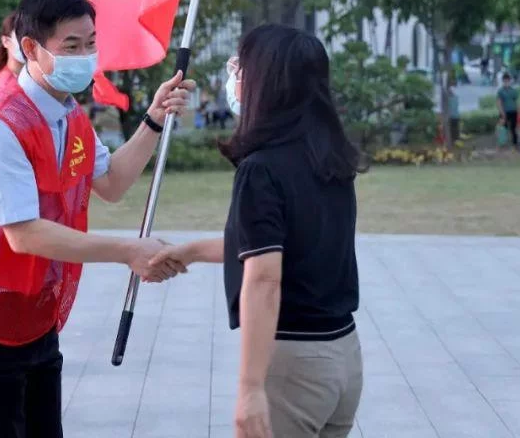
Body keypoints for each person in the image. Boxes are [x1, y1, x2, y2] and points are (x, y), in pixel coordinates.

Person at [0, 0, 194, 438]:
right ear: (30, 48)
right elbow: (24, 235)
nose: (86, 55)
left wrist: (153, 119)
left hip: (36, 312)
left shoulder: (69, 116)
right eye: (71, 46)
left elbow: (111, 184)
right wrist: (128, 250)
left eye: (91, 43)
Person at [149, 24, 365, 438]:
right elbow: (284, 246)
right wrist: (191, 251)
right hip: (343, 357)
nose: (235, 78)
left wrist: (249, 389)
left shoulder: (261, 170)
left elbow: (265, 278)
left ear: (268, 83)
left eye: (241, 68)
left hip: (293, 364)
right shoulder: (329, 158)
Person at [0, 12, 25, 94]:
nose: (27, 43)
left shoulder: (26, 79)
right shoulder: (3, 86)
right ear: (5, 41)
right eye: (20, 37)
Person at [497, 73, 520, 147]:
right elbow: (499, 102)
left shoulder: (513, 91)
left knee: (513, 127)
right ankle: (502, 142)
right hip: (505, 111)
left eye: (508, 81)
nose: (506, 82)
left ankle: (515, 142)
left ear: (510, 81)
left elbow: (516, 101)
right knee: (504, 128)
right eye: (505, 81)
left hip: (513, 111)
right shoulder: (500, 91)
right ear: (503, 81)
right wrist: (501, 112)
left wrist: (518, 110)